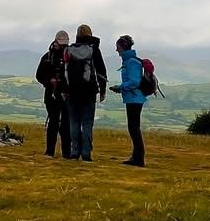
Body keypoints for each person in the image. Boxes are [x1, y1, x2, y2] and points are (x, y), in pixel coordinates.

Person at [62, 23, 106, 162]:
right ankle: (86, 153)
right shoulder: (94, 50)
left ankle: (75, 151)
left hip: (72, 92)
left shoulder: (68, 50)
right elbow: (101, 71)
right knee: (87, 123)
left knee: (74, 122)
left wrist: (64, 90)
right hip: (89, 91)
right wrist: (102, 90)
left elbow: (64, 72)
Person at [109, 34, 147, 167]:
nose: (116, 50)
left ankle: (138, 158)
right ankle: (136, 156)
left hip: (134, 98)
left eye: (117, 47)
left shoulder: (131, 62)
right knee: (133, 127)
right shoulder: (130, 61)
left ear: (122, 47)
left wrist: (120, 87)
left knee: (133, 127)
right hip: (133, 98)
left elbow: (135, 81)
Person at [34, 29, 71, 158]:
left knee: (65, 123)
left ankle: (67, 153)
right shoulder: (47, 57)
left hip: (66, 95)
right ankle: (50, 151)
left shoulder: (69, 56)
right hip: (51, 94)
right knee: (54, 122)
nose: (63, 46)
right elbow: (39, 75)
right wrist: (49, 81)